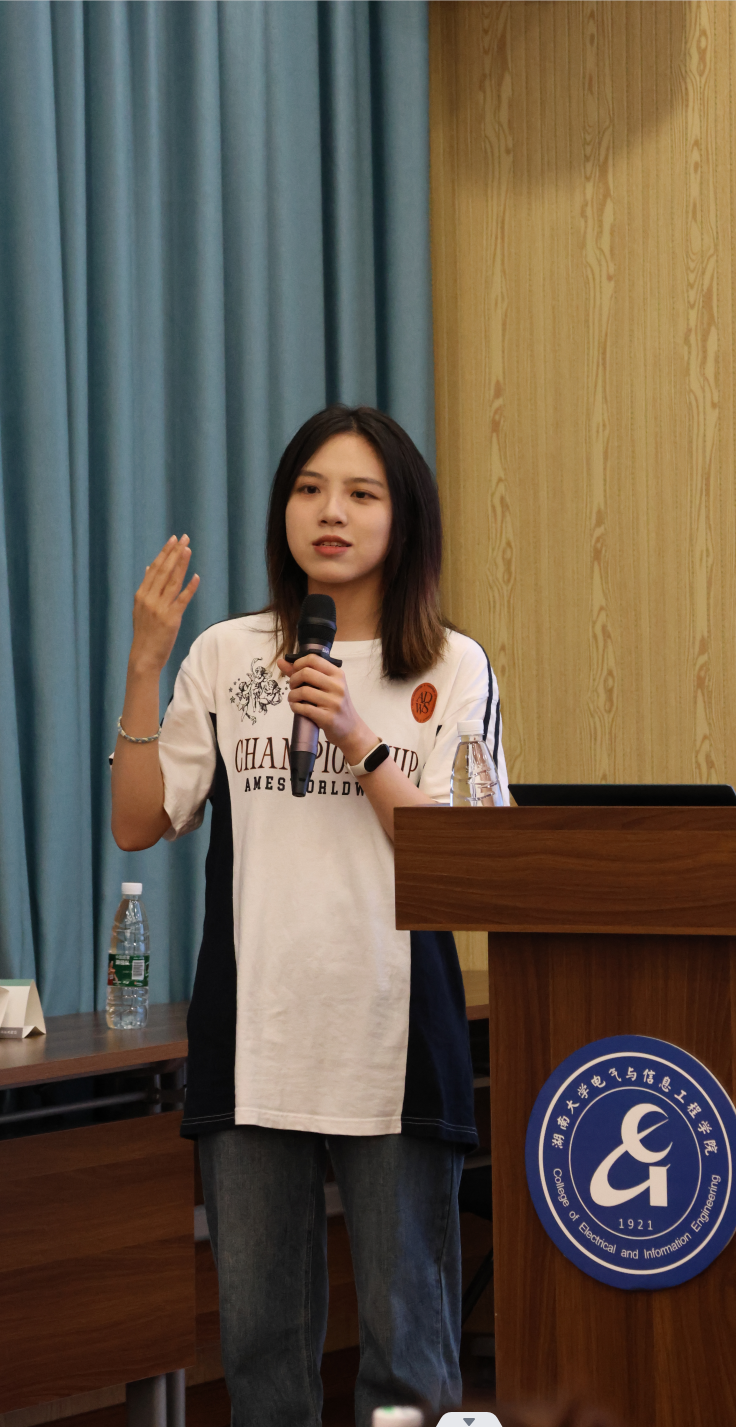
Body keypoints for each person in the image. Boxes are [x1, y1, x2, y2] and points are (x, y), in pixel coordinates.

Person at [111, 405, 509, 1427]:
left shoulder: (450, 664)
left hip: (391, 1037)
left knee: (408, 1356)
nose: (330, 511)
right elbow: (137, 822)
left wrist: (358, 737)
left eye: (360, 493)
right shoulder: (228, 653)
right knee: (260, 1351)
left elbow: (466, 864)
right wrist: (147, 663)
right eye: (308, 488)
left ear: (402, 516)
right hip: (256, 1039)